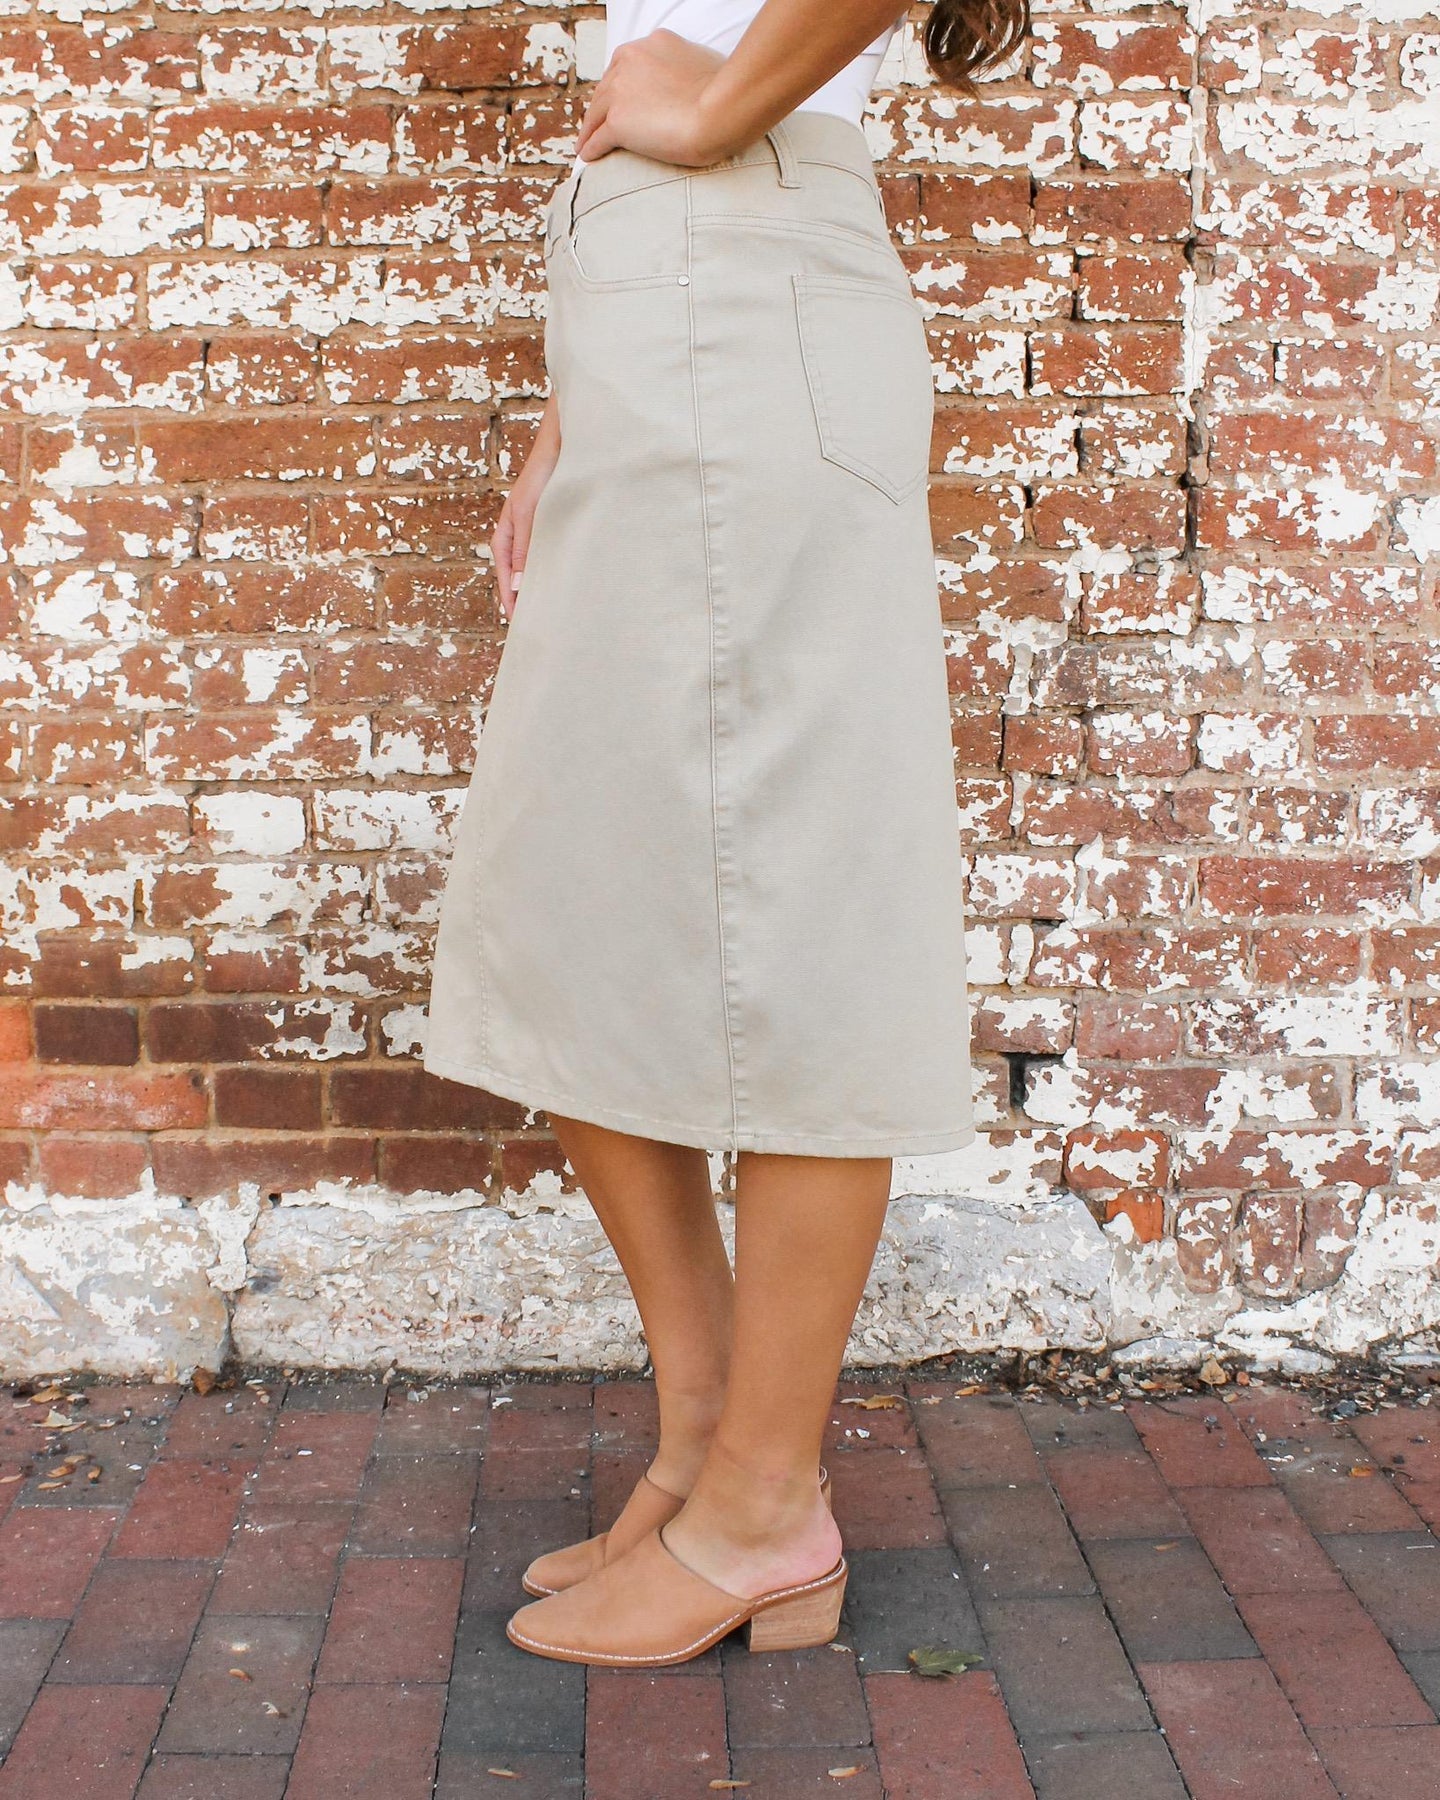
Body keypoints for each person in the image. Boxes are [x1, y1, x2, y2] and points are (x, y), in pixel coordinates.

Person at [421, 0, 1030, 1667]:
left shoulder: (731, 126)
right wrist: (568, 415)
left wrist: (711, 113)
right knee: (566, 894)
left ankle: (765, 1510)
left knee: (805, 912)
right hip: (662, 331)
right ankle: (705, 1435)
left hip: (748, 295)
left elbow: (706, 85)